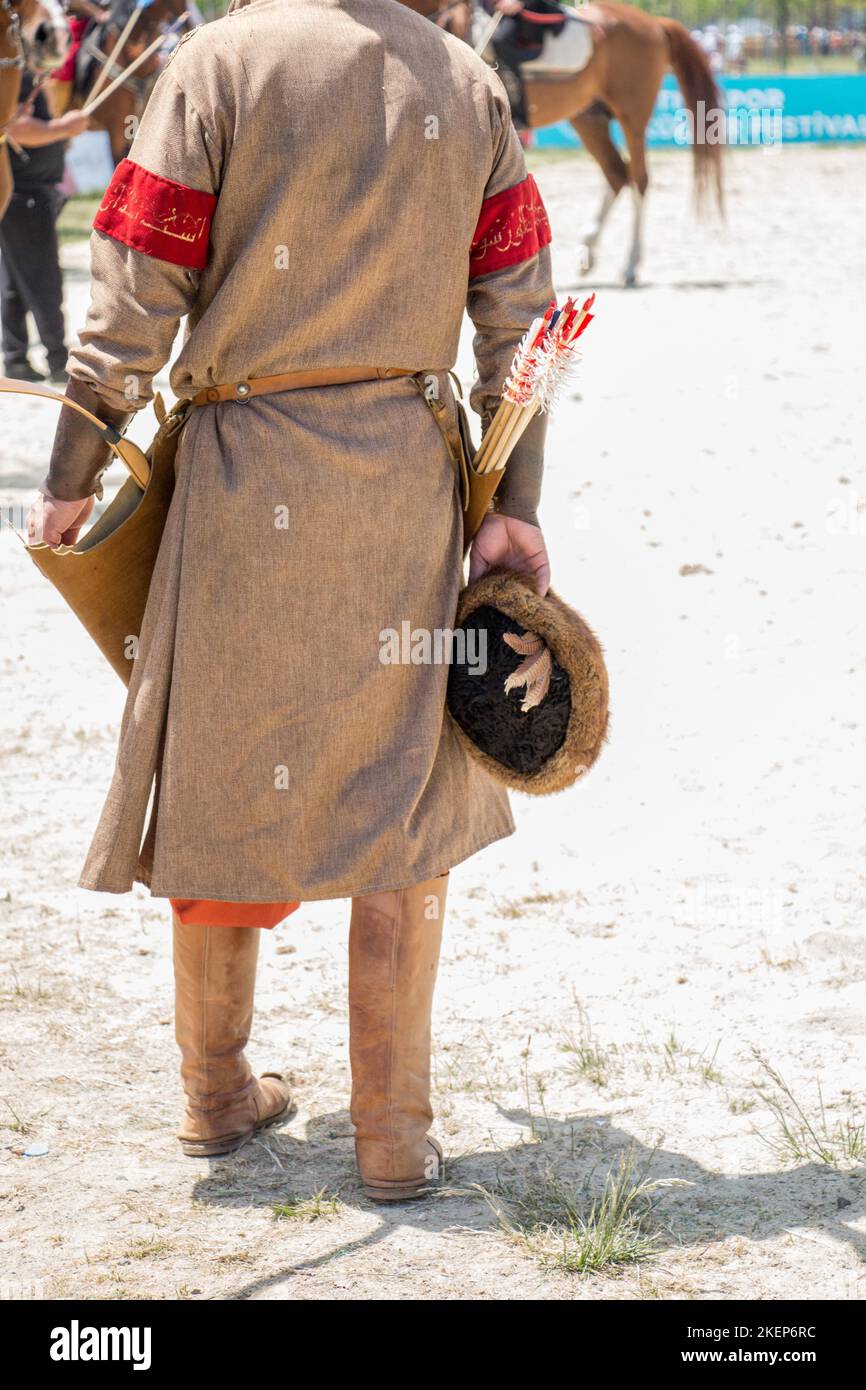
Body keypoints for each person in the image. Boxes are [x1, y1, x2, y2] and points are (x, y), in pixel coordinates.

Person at [26, 0, 553, 1201]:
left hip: (239, 477)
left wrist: (71, 478)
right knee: (403, 791)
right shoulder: (466, 81)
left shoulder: (217, 62)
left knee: (225, 768)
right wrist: (512, 503)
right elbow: (522, 329)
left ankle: (215, 1095)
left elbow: (127, 301)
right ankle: (392, 1132)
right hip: (404, 489)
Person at [0, 79, 88, 382]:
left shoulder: (27, 78)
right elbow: (14, 127)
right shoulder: (18, 79)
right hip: (26, 195)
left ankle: (15, 358)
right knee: (44, 281)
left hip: (26, 195)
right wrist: (63, 127)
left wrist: (57, 133)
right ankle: (58, 361)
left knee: (14, 284)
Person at [487, 0, 567, 128]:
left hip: (528, 22)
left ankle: (519, 114)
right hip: (494, 13)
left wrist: (520, 2)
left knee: (500, 41)